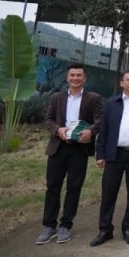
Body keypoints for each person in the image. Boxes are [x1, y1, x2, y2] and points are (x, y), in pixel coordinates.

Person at [36, 64, 103, 245]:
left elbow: (99, 121)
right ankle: (49, 226)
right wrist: (58, 130)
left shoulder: (94, 98)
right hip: (58, 147)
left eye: (79, 75)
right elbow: (48, 120)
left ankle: (66, 225)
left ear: (84, 78)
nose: (75, 78)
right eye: (72, 75)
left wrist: (90, 132)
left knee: (74, 187)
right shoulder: (56, 97)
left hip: (79, 149)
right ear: (67, 78)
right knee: (53, 187)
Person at [90, 69, 129, 246]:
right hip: (114, 155)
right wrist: (100, 154)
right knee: (108, 193)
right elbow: (104, 130)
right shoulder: (111, 103)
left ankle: (128, 228)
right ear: (122, 83)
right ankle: (105, 229)